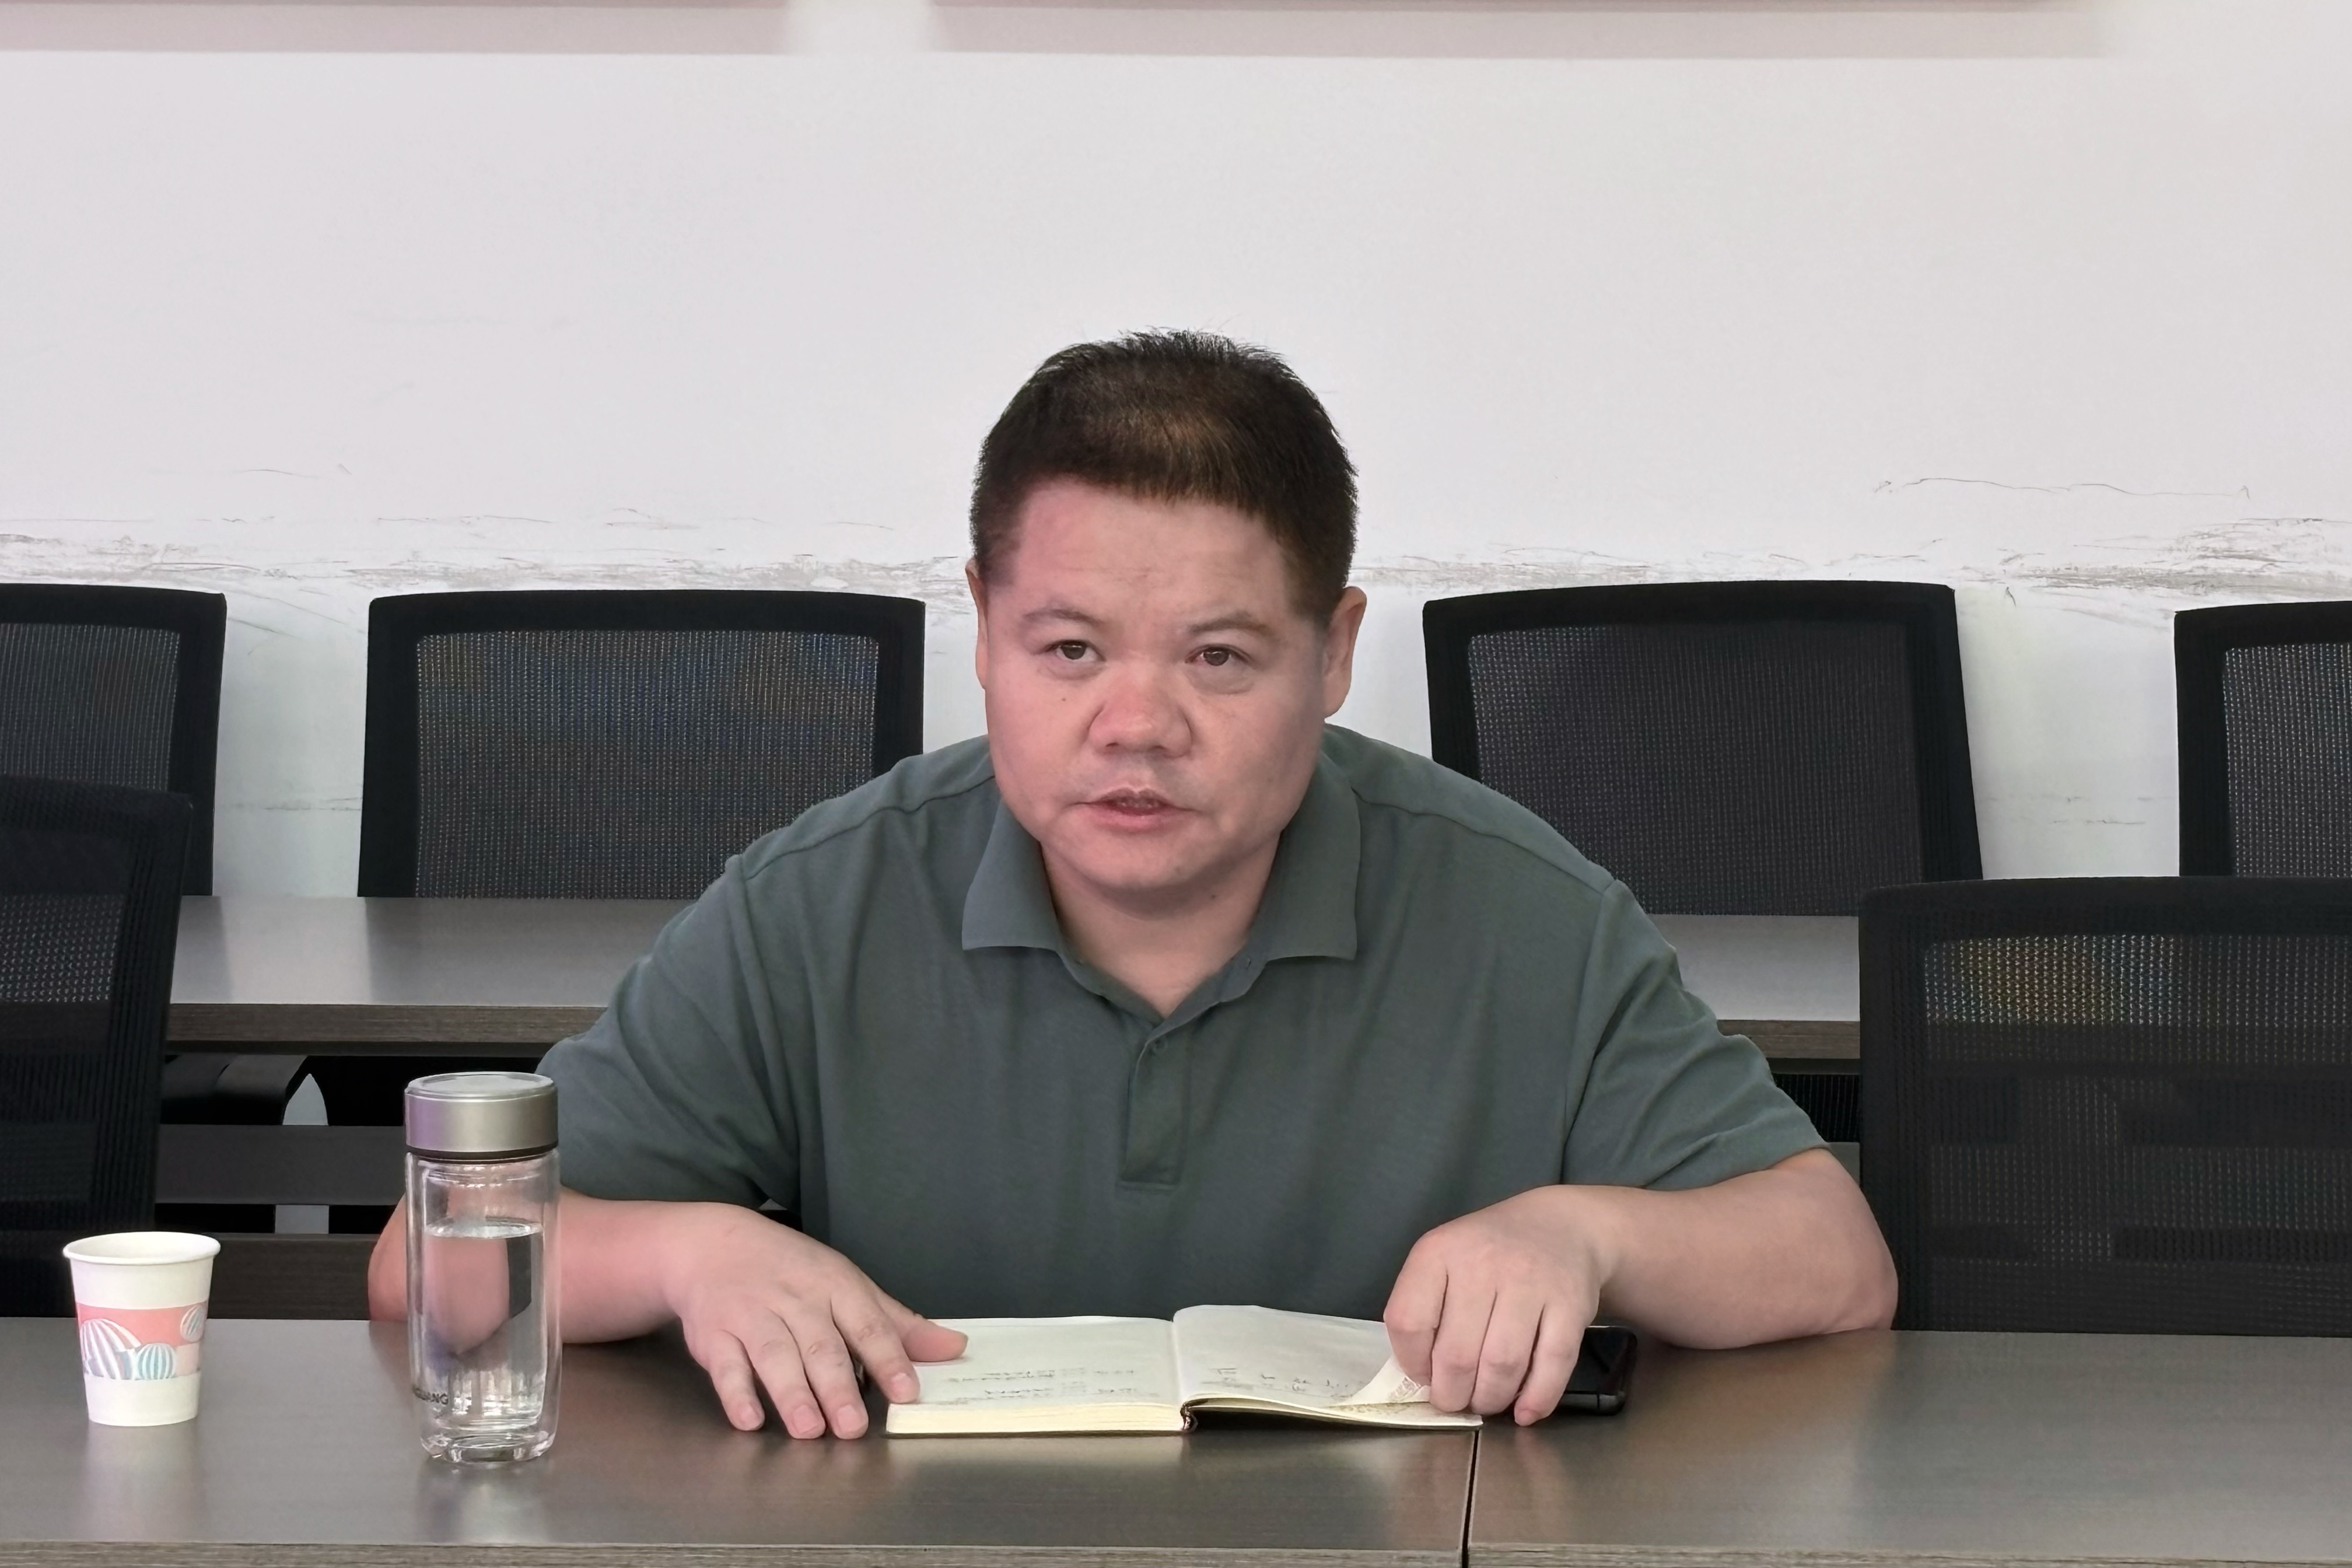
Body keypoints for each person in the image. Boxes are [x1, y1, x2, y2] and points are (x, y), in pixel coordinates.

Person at [369, 330, 1895, 1439]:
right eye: (1070, 649)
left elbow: (1834, 1261)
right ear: (983, 628)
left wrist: (1586, 1236)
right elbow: (423, 1269)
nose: (1136, 724)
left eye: (1219, 657)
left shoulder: (1519, 907)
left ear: (1335, 651)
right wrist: (682, 1252)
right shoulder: (819, 903)